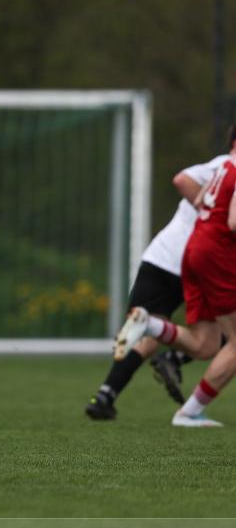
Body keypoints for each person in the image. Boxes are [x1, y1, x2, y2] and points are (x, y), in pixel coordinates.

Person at [85, 152, 231, 420]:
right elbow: (182, 180)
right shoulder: (225, 164)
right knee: (225, 330)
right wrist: (213, 217)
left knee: (155, 334)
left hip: (164, 255)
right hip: (200, 259)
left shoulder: (223, 166)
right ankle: (175, 365)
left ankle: (105, 396)